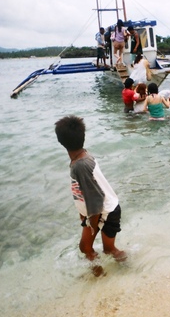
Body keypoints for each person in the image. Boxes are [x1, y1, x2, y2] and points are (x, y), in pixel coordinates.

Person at [54, 115, 126, 276]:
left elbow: (95, 199)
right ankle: (113, 271)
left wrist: (92, 226)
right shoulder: (82, 155)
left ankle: (104, 276)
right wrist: (83, 214)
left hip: (104, 211)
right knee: (99, 249)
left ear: (60, 141)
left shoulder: (80, 165)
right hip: (105, 209)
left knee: (95, 249)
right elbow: (86, 191)